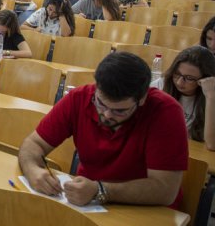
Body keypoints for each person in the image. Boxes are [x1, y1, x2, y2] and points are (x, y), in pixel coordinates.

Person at [18, 52, 188, 208]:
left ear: (142, 99)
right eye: (100, 103)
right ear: (96, 87)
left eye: (120, 111)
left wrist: (100, 190)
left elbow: (165, 190)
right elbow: (34, 143)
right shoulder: (79, 98)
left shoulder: (166, 112)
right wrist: (33, 170)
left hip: (144, 208)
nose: (106, 114)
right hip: (87, 200)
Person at [152, 46, 215, 151]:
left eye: (189, 78)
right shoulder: (161, 84)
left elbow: (213, 145)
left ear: (205, 79)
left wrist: (210, 95)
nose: (179, 82)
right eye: (177, 74)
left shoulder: (212, 98)